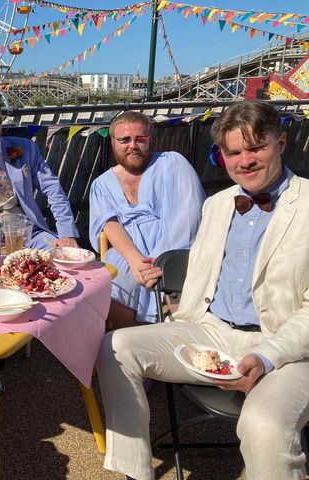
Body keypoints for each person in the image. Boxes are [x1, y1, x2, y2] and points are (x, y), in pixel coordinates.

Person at [97, 101, 309, 480]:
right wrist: (181, 306)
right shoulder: (218, 205)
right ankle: (135, 471)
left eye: (256, 147)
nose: (245, 161)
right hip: (213, 330)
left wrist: (267, 356)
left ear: (281, 142)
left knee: (264, 425)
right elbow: (201, 267)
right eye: (233, 152)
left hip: (286, 349)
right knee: (114, 348)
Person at [89, 111, 205, 328]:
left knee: (180, 289)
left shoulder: (172, 164)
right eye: (124, 139)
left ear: (150, 139)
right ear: (113, 142)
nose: (132, 145)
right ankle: (131, 346)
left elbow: (188, 218)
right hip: (130, 253)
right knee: (112, 282)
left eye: (140, 139)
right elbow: (108, 223)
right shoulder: (102, 184)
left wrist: (159, 263)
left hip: (174, 251)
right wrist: (136, 261)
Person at [0, 92, 79, 250]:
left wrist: (67, 233)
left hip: (29, 233)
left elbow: (52, 189)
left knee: (65, 257)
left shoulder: (25, 149)